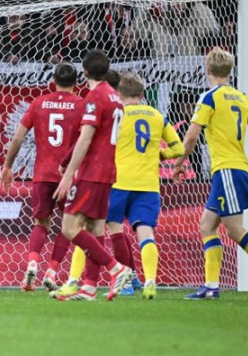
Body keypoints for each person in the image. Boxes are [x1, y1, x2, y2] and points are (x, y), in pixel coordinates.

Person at [63, 73, 185, 300]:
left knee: (104, 229)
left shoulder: (117, 115)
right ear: (142, 94)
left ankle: (81, 281)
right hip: (148, 185)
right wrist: (161, 154)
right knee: (145, 232)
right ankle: (150, 282)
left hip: (118, 183)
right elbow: (179, 148)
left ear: (118, 94)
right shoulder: (157, 116)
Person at [173, 47, 248, 301]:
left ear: (207, 70)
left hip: (227, 169)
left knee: (234, 230)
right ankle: (211, 286)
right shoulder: (242, 98)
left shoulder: (209, 97)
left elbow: (191, 135)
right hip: (234, 169)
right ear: (229, 71)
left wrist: (178, 163)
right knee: (207, 225)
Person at [53, 49, 133, 301]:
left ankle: (115, 268)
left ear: (84, 71)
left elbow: (85, 138)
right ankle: (89, 286)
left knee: (69, 227)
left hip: (92, 171)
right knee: (95, 228)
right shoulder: (115, 97)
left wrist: (68, 174)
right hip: (107, 171)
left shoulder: (95, 97)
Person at [0, 63, 82, 292]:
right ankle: (52, 272)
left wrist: (8, 166)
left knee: (40, 223)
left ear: (53, 81)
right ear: (77, 83)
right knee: (69, 226)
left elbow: (17, 138)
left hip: (42, 174)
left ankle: (32, 264)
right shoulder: (82, 105)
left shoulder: (38, 103)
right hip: (69, 176)